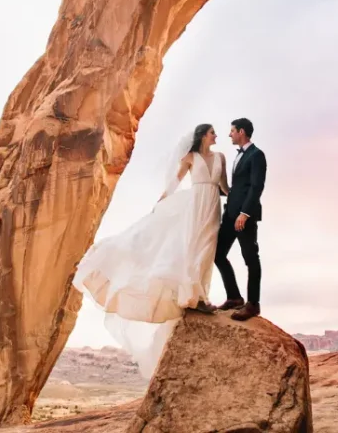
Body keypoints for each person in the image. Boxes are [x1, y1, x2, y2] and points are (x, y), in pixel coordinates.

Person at [72, 123, 228, 377]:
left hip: (212, 206)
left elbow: (224, 188)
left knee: (208, 248)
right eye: (212, 133)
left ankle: (201, 295)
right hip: (194, 204)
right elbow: (176, 180)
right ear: (202, 136)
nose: (216, 136)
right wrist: (163, 199)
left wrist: (243, 201)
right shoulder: (190, 157)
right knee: (193, 247)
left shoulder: (220, 157)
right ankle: (193, 296)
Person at [214, 117, 266, 321]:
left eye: (232, 131)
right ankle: (234, 297)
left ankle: (253, 304)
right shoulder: (238, 156)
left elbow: (256, 187)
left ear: (242, 132)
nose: (230, 135)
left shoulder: (256, 155)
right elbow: (237, 188)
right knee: (218, 254)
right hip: (230, 215)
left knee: (250, 258)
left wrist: (244, 214)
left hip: (245, 216)